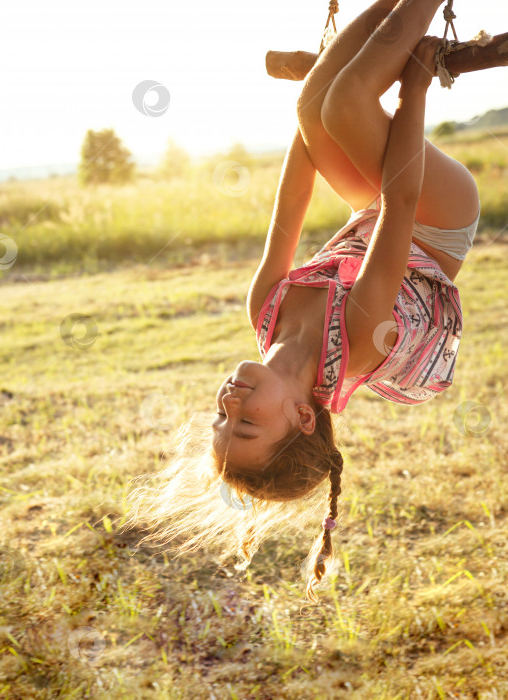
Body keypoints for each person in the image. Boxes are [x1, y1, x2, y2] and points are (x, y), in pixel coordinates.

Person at [121, 0, 480, 602]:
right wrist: (411, 89)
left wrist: (305, 112)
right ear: (303, 418)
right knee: (345, 106)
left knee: (322, 105)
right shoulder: (362, 342)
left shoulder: (264, 309)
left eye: (220, 421)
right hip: (433, 220)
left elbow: (288, 207)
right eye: (249, 424)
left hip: (378, 208)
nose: (229, 405)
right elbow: (401, 200)